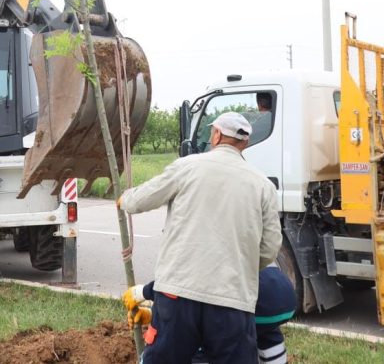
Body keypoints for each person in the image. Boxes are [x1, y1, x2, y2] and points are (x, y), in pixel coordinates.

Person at [118, 111, 282, 363]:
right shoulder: (263, 186)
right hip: (232, 300)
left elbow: (142, 199)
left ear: (216, 135)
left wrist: (124, 200)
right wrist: (238, 266)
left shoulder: (188, 166)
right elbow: (270, 248)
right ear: (245, 143)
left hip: (177, 296)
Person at [124, 264, 297, 364]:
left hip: (254, 299)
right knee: (261, 332)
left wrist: (143, 292)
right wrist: (153, 314)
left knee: (206, 334)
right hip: (281, 296)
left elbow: (180, 290)